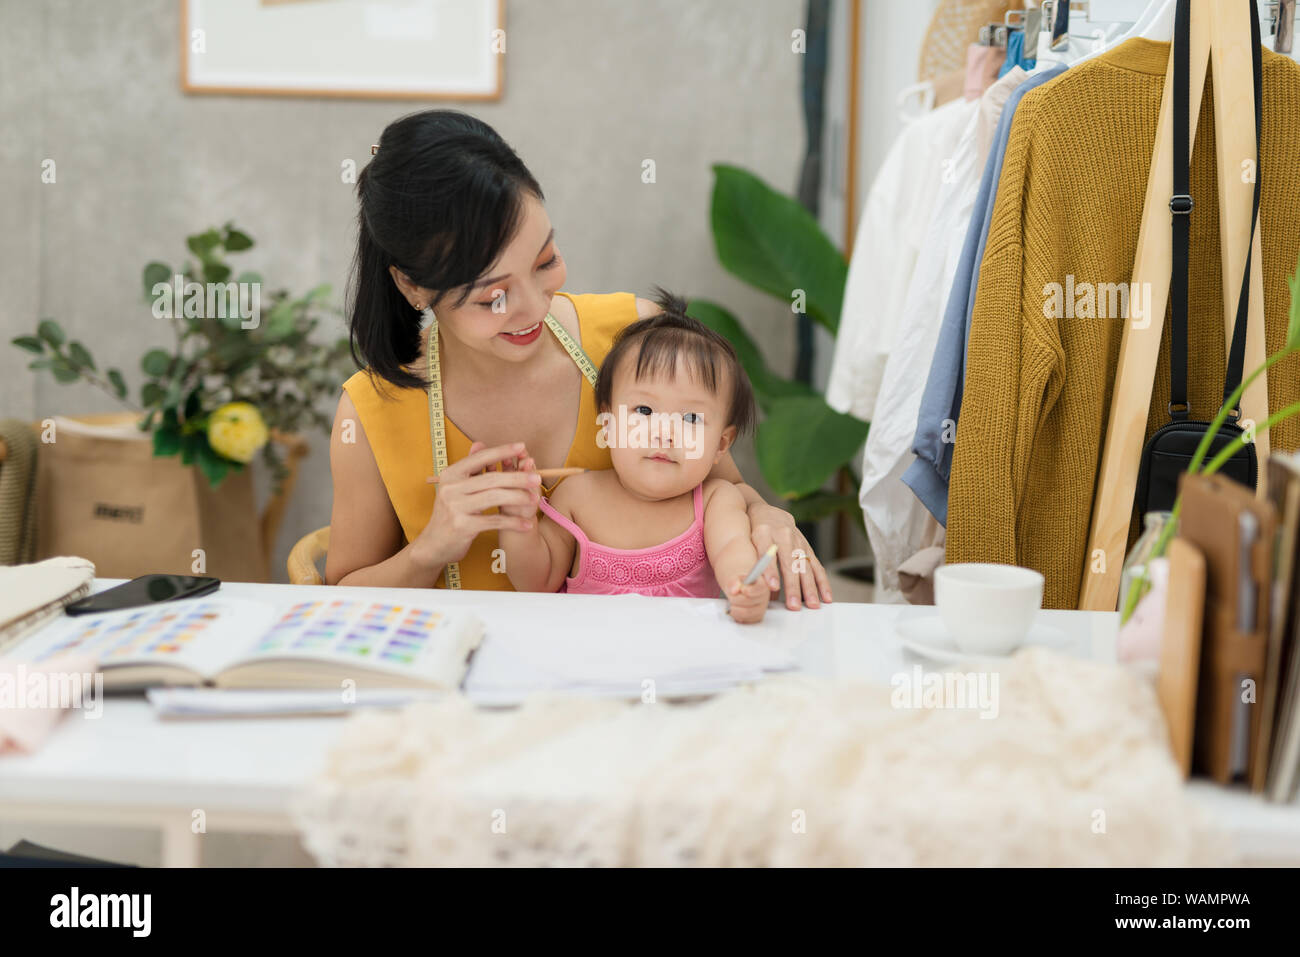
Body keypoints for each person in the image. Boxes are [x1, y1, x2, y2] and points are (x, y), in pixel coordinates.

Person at [327, 109, 831, 609]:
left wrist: (768, 516)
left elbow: (727, 491)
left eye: (546, 261)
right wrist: (431, 550)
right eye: (492, 297)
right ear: (413, 286)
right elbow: (337, 600)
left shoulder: (633, 339)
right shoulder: (371, 413)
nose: (534, 306)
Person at [498, 289, 772, 623]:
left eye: (690, 418)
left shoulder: (715, 501)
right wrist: (518, 523)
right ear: (608, 421)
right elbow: (536, 582)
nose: (664, 432)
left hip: (681, 663)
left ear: (721, 445)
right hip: (587, 662)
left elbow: (732, 548)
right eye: (644, 410)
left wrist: (743, 583)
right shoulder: (577, 496)